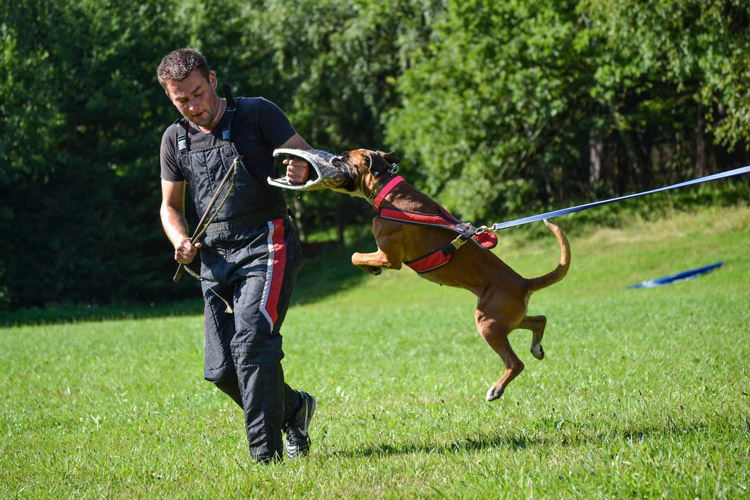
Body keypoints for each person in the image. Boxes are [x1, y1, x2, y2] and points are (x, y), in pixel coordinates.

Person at [156, 48, 315, 463]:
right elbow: (170, 206)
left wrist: (302, 168)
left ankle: (266, 460)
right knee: (222, 370)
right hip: (213, 257)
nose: (194, 107)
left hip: (266, 241)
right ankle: (293, 408)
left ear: (211, 79)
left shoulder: (257, 113)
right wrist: (179, 238)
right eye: (181, 101)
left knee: (252, 344)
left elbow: (306, 156)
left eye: (197, 93)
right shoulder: (175, 139)